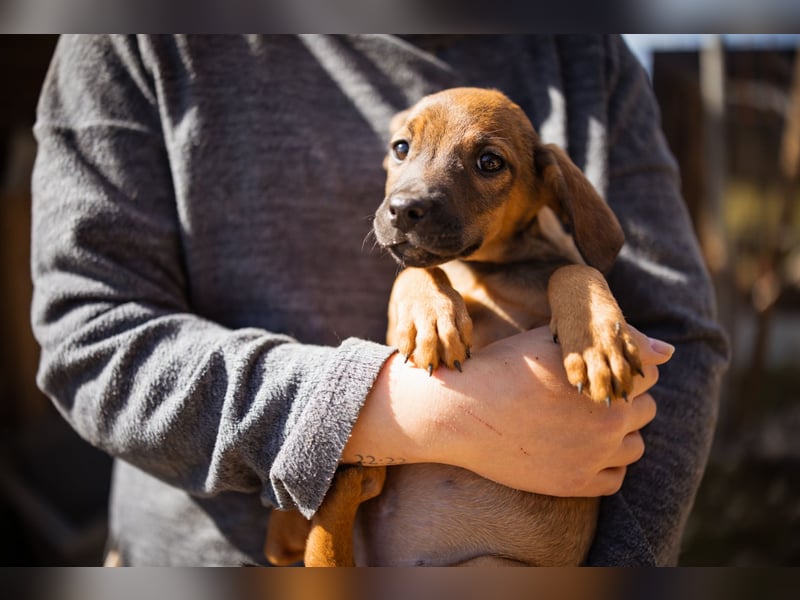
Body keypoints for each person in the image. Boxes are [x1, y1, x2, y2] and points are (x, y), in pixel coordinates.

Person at [30, 34, 729, 566]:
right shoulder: (132, 39)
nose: (414, 194)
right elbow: (88, 336)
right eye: (402, 149)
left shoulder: (584, 51)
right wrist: (401, 413)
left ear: (548, 191)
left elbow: (674, 329)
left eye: (486, 164)